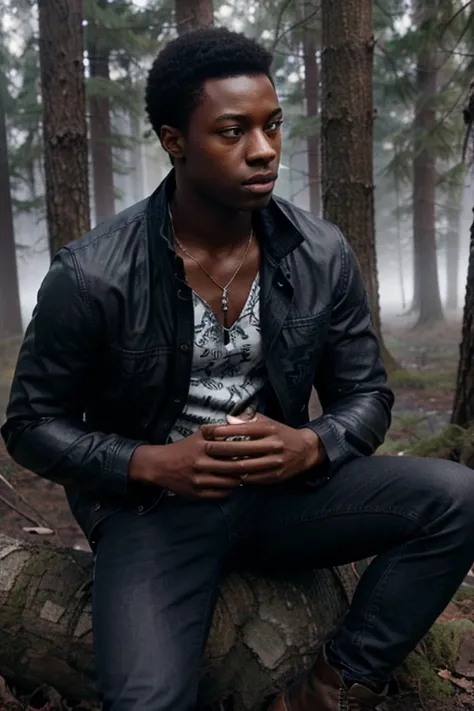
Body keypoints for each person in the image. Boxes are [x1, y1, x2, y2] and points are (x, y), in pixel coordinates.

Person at [2, 26, 474, 711]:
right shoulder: (93, 273)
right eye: (233, 131)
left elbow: (366, 393)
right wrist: (148, 463)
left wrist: (311, 444)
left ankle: (329, 687)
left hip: (285, 496)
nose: (264, 150)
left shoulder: (320, 252)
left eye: (272, 126)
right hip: (152, 512)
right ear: (175, 141)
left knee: (457, 496)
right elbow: (29, 424)